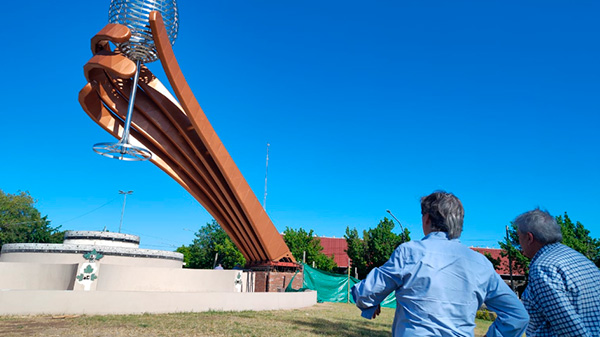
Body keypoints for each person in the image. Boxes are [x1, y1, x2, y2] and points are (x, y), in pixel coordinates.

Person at [352, 191, 528, 337]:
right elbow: (517, 316)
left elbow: (366, 293)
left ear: (427, 218)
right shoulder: (481, 264)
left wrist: (370, 303)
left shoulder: (410, 252)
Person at [514, 208, 600, 336]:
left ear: (529, 237)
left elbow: (569, 328)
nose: (519, 244)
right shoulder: (581, 260)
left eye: (519, 238)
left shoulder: (542, 268)